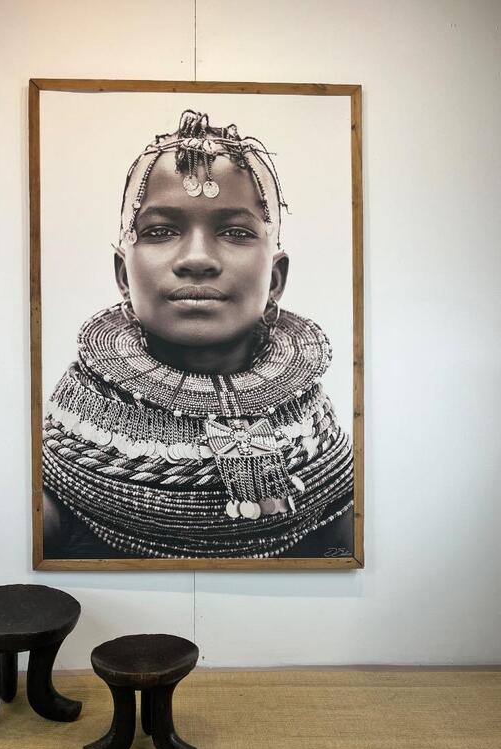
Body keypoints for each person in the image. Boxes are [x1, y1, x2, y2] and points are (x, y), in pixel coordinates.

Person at [42, 109, 354, 559]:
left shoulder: (326, 452)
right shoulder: (55, 470)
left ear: (277, 278)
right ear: (123, 275)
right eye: (161, 230)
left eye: (235, 231)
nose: (197, 258)